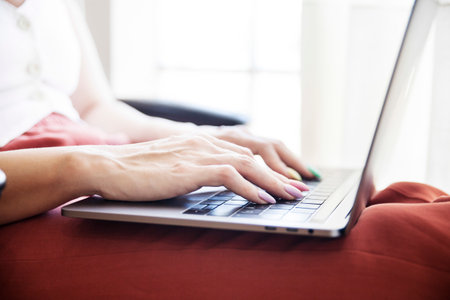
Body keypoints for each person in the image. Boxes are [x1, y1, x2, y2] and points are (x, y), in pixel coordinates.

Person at [0, 0, 313, 225]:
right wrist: (91, 166)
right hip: (29, 196)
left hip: (99, 164)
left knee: (351, 209)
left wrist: (202, 138)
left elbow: (94, 107)